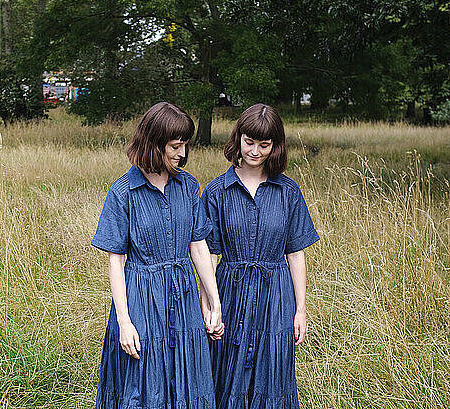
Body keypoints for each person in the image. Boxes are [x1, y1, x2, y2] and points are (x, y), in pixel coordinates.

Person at [91, 102, 224, 409]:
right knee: (144, 382)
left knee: (187, 377)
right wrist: (124, 321)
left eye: (185, 145)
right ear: (153, 143)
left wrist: (214, 302)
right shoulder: (123, 192)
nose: (182, 153)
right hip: (141, 297)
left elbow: (199, 246)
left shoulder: (189, 186)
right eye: (175, 146)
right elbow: (115, 262)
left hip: (183, 294)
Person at [200, 103, 319, 408]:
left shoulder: (288, 192)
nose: (254, 151)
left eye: (264, 145)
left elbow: (295, 253)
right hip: (230, 290)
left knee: (273, 370)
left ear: (275, 146)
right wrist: (210, 304)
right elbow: (208, 254)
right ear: (238, 139)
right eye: (249, 142)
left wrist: (300, 309)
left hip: (276, 294)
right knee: (226, 368)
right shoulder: (216, 191)